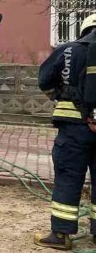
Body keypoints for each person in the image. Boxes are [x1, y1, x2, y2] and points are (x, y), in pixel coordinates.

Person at [35, 14, 96, 250]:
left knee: (69, 177)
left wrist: (61, 96)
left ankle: (61, 235)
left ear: (84, 29)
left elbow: (45, 80)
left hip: (73, 130)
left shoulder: (68, 50)